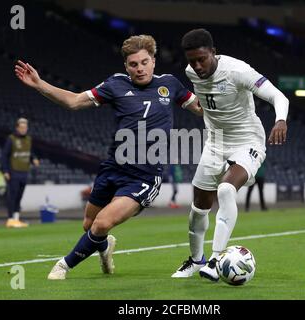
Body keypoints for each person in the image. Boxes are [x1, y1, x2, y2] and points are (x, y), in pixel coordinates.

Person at [14, 34, 202, 280]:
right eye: (133, 64)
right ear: (126, 66)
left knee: (101, 224)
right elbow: (74, 102)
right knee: (89, 225)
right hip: (113, 167)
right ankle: (105, 249)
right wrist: (40, 84)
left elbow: (200, 109)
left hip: (144, 176)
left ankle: (63, 265)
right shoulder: (115, 84)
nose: (140, 68)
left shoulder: (170, 84)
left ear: (153, 61)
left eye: (144, 62)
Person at [172, 29, 288, 281]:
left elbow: (278, 96)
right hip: (215, 143)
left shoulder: (238, 71)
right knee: (197, 210)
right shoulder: (191, 72)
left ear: (213, 52)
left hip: (247, 141)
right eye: (192, 61)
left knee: (225, 190)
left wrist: (280, 121)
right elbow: (207, 102)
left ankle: (215, 259)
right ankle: (195, 261)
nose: (197, 65)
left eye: (202, 58)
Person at [2, 118, 40, 228]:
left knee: (19, 196)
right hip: (13, 171)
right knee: (12, 195)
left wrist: (34, 159)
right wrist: (5, 171)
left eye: (25, 127)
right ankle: (10, 219)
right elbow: (4, 155)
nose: (24, 129)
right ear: (17, 127)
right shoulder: (11, 139)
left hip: (24, 171)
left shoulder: (28, 139)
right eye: (21, 127)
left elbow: (30, 152)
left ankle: (16, 219)